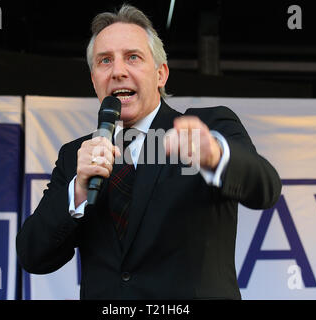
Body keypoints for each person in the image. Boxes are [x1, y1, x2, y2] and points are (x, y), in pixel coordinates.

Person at [16, 4, 282, 300]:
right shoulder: (76, 156)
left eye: (133, 57)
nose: (118, 71)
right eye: (105, 61)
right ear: (94, 80)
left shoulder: (207, 127)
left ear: (161, 74)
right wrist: (78, 190)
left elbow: (266, 189)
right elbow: (33, 256)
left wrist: (216, 156)